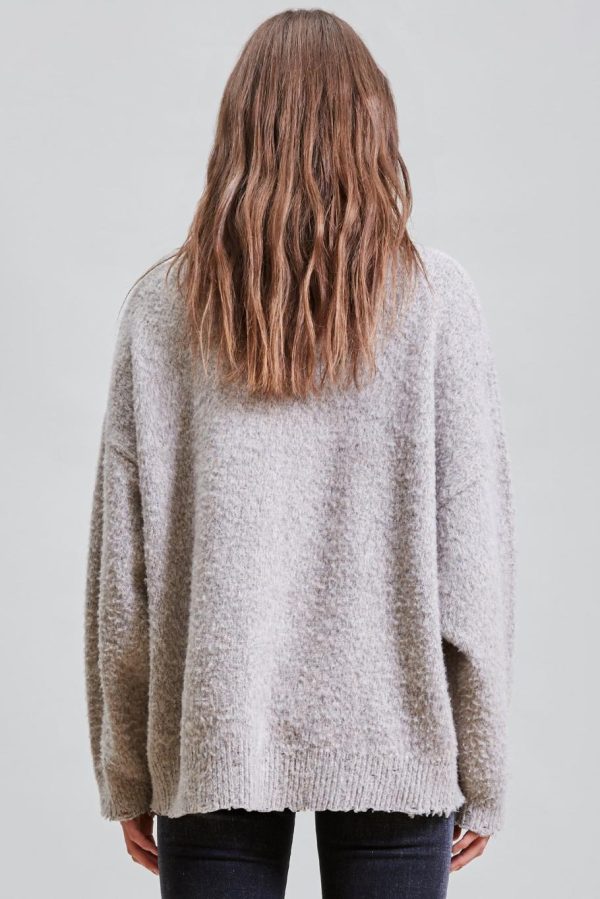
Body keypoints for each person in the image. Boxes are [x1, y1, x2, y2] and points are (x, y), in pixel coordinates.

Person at [84, 9, 516, 898]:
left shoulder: (162, 308)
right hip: (394, 735)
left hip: (217, 733)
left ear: (236, 134)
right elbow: (474, 563)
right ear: (374, 130)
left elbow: (122, 578)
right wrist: (485, 768)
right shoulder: (437, 303)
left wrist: (127, 769)